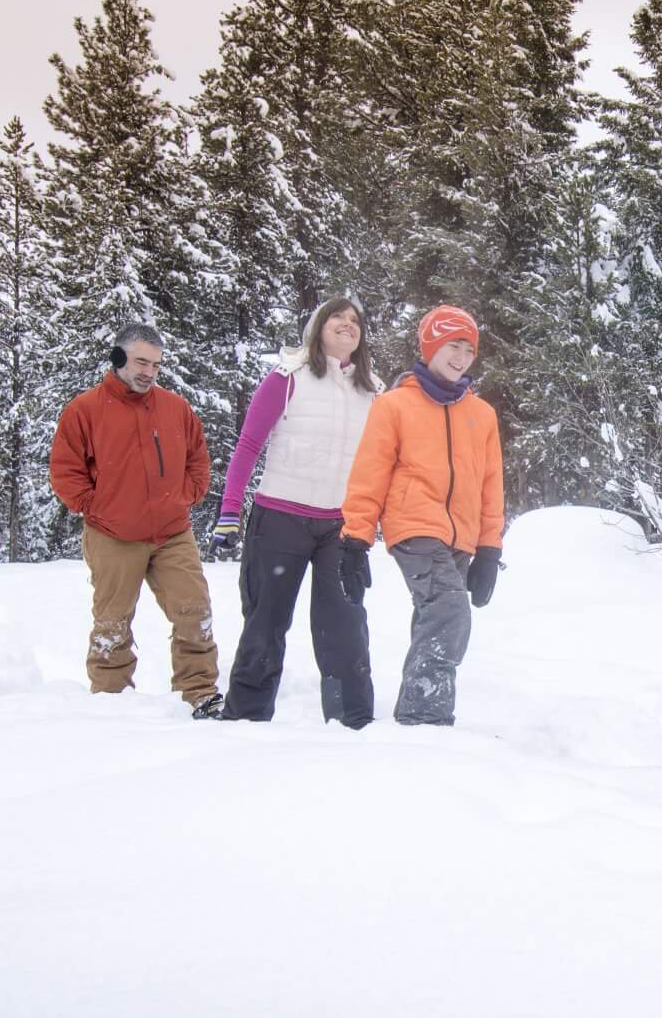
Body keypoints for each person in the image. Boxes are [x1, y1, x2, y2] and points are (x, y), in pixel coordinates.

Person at [211, 298, 380, 726]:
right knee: (265, 624)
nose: (348, 325)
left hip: (341, 528)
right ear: (318, 327)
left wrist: (383, 522)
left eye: (355, 321)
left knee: (343, 628)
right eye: (338, 318)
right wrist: (230, 509)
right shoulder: (289, 377)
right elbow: (249, 444)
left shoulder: (374, 392)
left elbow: (383, 464)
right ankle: (245, 720)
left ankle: (352, 724)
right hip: (280, 520)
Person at [338, 305, 504, 727]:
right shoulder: (394, 406)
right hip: (413, 527)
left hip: (461, 537)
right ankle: (424, 716)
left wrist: (489, 549)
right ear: (430, 346)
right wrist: (356, 538)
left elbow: (490, 486)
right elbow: (369, 473)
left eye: (469, 348)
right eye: (453, 345)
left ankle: (414, 715)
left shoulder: (482, 415)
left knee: (433, 616)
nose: (461, 356)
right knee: (449, 610)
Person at [47, 323, 223, 717]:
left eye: (156, 365)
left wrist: (188, 494)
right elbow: (65, 469)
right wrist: (96, 506)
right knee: (112, 622)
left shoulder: (176, 408)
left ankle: (199, 692)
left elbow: (198, 458)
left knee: (194, 610)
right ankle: (110, 701)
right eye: (141, 361)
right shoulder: (85, 410)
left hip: (172, 532)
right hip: (112, 534)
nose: (149, 371)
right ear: (118, 358)